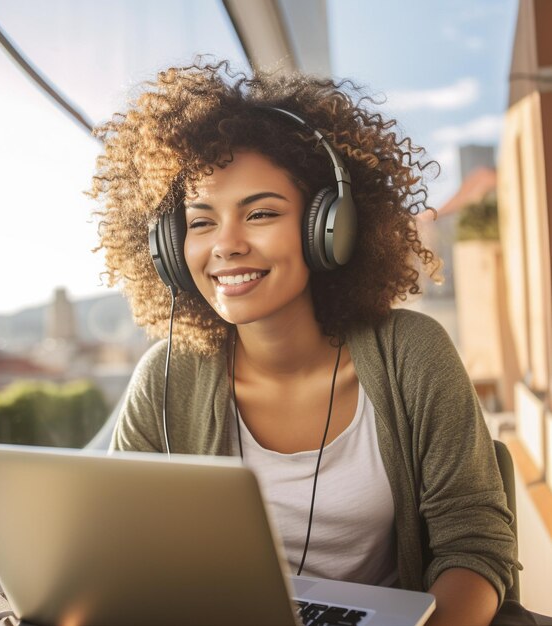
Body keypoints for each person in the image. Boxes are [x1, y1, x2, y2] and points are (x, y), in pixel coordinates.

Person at [89, 60, 520, 626]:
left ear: (330, 228)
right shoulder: (167, 376)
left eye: (261, 213)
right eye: (200, 222)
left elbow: (474, 543)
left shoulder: (412, 354)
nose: (227, 245)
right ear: (171, 250)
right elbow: (124, 545)